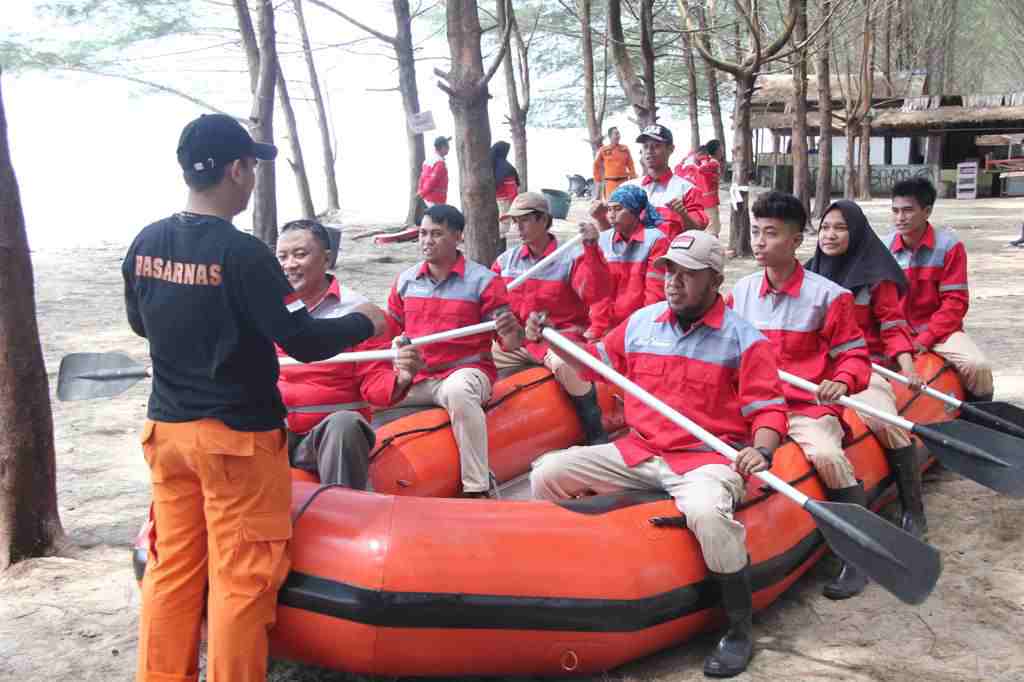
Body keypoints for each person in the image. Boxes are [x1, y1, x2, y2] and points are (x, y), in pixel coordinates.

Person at [124, 113, 389, 682]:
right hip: (237, 443)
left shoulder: (146, 242)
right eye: (251, 167)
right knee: (242, 578)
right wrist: (365, 321)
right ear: (238, 170)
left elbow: (140, 324)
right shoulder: (243, 254)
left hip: (168, 435)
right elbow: (304, 340)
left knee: (173, 571)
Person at [529, 230, 788, 679]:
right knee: (547, 473)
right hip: (640, 449)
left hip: (705, 458)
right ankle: (568, 573)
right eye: (669, 271)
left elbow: (767, 408)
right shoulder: (641, 323)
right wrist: (545, 338)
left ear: (714, 281)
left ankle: (739, 629)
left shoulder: (745, 340)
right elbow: (593, 363)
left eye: (687, 275)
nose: (673, 282)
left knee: (708, 514)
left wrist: (760, 450)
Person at [727, 191, 872, 601]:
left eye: (770, 234)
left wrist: (841, 382)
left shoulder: (829, 296)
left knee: (826, 456)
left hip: (804, 408)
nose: (759, 242)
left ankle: (857, 556)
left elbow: (855, 357)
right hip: (753, 408)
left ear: (795, 241)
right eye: (755, 232)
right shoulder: (741, 291)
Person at [806, 201, 927, 537]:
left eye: (840, 228)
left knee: (882, 420)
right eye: (825, 227)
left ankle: (913, 511)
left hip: (867, 366)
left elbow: (893, 325)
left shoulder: (876, 275)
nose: (829, 235)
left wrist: (907, 367)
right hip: (818, 369)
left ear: (856, 231)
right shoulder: (808, 272)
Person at [387, 204, 524, 498]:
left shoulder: (484, 281)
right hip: (417, 376)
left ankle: (477, 487)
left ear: (458, 237)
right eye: (423, 233)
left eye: (436, 234)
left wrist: (511, 328)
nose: (426, 241)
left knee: (460, 392)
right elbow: (389, 331)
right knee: (368, 390)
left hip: (464, 372)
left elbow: (511, 344)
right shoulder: (404, 281)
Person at [275, 219, 423, 488]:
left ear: (326, 258)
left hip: (328, 434)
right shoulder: (268, 310)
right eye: (282, 257)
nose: (289, 265)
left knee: (344, 424)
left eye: (300, 254)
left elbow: (373, 381)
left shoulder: (360, 314)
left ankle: (347, 514)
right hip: (277, 434)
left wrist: (400, 378)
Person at [491, 192, 612, 444]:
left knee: (568, 367)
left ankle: (594, 430)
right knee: (477, 358)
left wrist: (591, 249)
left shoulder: (570, 257)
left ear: (543, 219)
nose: (518, 227)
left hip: (557, 339)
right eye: (515, 221)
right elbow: (491, 302)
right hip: (518, 341)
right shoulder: (504, 262)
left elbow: (595, 293)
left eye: (524, 220)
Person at [885, 177, 994, 402]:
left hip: (940, 332)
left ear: (927, 211)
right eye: (895, 210)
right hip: (896, 332)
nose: (899, 218)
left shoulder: (949, 247)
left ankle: (979, 421)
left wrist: (926, 337)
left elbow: (955, 303)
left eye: (907, 210)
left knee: (978, 367)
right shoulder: (884, 248)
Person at [585, 184, 671, 340]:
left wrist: (640, 329)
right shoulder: (603, 239)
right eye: (609, 209)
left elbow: (655, 294)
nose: (611, 215)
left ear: (634, 211)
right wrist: (599, 326)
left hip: (639, 327)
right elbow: (598, 291)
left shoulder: (655, 240)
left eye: (618, 209)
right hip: (606, 326)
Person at [621, 124, 708, 239]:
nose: (649, 151)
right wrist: (601, 218)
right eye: (645, 147)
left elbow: (697, 231)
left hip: (671, 255)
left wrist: (683, 215)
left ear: (671, 149)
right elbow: (616, 233)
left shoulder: (687, 189)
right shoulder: (628, 188)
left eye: (656, 146)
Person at [592, 126, 637, 199]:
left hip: (624, 182)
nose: (618, 136)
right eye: (616, 134)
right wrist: (598, 179)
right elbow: (596, 165)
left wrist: (633, 177)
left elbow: (631, 164)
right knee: (612, 204)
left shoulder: (625, 149)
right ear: (610, 136)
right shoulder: (603, 150)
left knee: (625, 204)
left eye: (618, 133)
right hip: (610, 183)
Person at [492, 141, 521, 245]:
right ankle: (500, 252)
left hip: (491, 202)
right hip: (504, 203)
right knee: (502, 231)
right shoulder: (507, 169)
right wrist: (516, 210)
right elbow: (512, 192)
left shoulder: (489, 166)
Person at [417, 135, 450, 208]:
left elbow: (422, 178)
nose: (449, 148)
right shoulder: (439, 163)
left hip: (428, 198)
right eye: (447, 146)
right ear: (442, 147)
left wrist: (420, 191)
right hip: (435, 200)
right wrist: (422, 193)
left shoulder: (428, 161)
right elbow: (432, 181)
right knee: (436, 218)